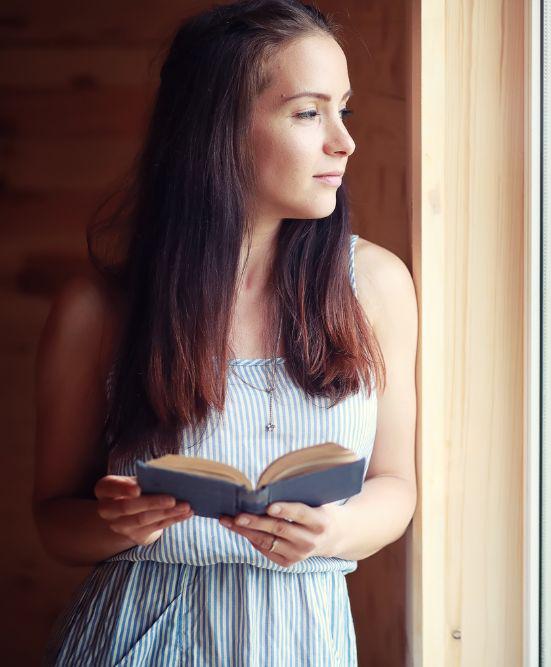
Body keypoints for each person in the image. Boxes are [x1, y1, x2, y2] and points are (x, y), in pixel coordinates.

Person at [31, 1, 417, 664]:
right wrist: (115, 522)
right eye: (307, 112)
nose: (343, 140)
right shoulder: (98, 307)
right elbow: (53, 519)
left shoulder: (375, 284)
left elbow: (396, 486)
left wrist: (334, 530)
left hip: (303, 638)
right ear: (221, 129)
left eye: (342, 108)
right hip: (138, 638)